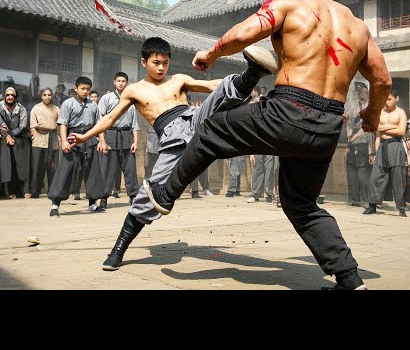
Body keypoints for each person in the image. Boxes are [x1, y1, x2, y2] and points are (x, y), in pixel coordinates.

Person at [141, 0, 391, 290]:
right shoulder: (358, 27)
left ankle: (166, 194)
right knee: (301, 202)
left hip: (289, 110)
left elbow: (243, 35)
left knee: (212, 128)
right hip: (329, 124)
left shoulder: (288, 4)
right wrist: (371, 115)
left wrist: (210, 53)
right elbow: (383, 79)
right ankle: (349, 278)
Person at [68, 37, 276, 270]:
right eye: (156, 62)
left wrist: (245, 83)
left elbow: (211, 87)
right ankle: (118, 250)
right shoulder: (134, 90)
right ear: (144, 62)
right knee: (149, 196)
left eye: (165, 63)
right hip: (170, 138)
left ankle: (253, 72)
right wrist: (86, 136)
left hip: (194, 120)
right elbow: (109, 117)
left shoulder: (179, 80)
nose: (161, 67)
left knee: (223, 89)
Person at [47, 76, 107, 217]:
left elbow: (99, 126)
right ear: (76, 89)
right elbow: (63, 124)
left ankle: (93, 203)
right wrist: (64, 141)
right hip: (73, 138)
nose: (85, 91)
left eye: (88, 89)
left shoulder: (93, 105)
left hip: (90, 138)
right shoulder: (68, 103)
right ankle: (55, 204)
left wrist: (102, 141)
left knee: (93, 171)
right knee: (65, 171)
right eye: (83, 89)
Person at [363, 89, 408, 216]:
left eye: (389, 99)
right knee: (375, 178)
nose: (386, 102)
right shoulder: (381, 113)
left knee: (398, 178)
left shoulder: (401, 113)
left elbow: (401, 132)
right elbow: (377, 132)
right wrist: (376, 152)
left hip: (395, 145)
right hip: (382, 146)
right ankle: (372, 205)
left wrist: (384, 129)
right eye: (384, 99)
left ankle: (401, 208)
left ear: (396, 98)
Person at [98, 72, 140, 207]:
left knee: (130, 169)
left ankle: (133, 196)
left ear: (126, 83)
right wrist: (102, 141)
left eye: (123, 81)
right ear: (114, 82)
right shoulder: (106, 98)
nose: (121, 83)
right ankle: (104, 197)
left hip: (126, 136)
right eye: (119, 81)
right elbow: (101, 121)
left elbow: (135, 124)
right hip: (110, 134)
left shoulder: (131, 101)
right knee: (107, 169)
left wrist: (136, 141)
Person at [0, 87, 31, 199]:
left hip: (20, 138)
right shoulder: (0, 107)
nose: (10, 97)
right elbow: (0, 124)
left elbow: (23, 126)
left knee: (22, 165)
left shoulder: (21, 109)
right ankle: (9, 191)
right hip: (5, 138)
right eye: (7, 95)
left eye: (12, 95)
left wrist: (11, 135)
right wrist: (7, 136)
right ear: (5, 97)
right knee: (8, 164)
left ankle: (25, 190)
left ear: (15, 97)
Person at [344, 82, 374, 207]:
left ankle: (366, 198)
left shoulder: (370, 107)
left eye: (366, 93)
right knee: (351, 172)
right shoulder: (352, 106)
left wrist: (371, 150)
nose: (363, 95)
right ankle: (354, 198)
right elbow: (348, 124)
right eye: (361, 92)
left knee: (363, 172)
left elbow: (369, 126)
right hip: (352, 143)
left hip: (364, 141)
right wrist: (348, 141)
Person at [30, 87, 60, 197]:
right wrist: (34, 132)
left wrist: (60, 137)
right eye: (44, 95)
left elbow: (61, 124)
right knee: (37, 166)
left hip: (52, 138)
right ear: (41, 96)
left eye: (49, 95)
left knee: (52, 166)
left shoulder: (56, 109)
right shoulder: (36, 108)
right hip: (39, 139)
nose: (47, 97)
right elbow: (33, 125)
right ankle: (35, 191)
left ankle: (52, 191)